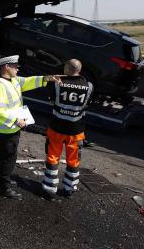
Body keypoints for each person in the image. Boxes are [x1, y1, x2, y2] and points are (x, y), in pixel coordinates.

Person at [0, 55, 61, 199]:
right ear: (6, 67)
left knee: (6, 155)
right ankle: (4, 188)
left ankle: (2, 179)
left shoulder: (13, 80)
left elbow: (29, 81)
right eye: (15, 66)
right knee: (8, 157)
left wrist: (48, 78)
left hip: (14, 127)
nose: (17, 68)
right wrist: (16, 120)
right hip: (8, 128)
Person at [41, 59, 94, 200]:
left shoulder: (57, 84)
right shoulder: (89, 86)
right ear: (79, 70)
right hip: (76, 131)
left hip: (57, 129)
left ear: (66, 69)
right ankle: (69, 189)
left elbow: (50, 100)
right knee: (74, 160)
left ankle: (49, 189)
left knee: (53, 158)